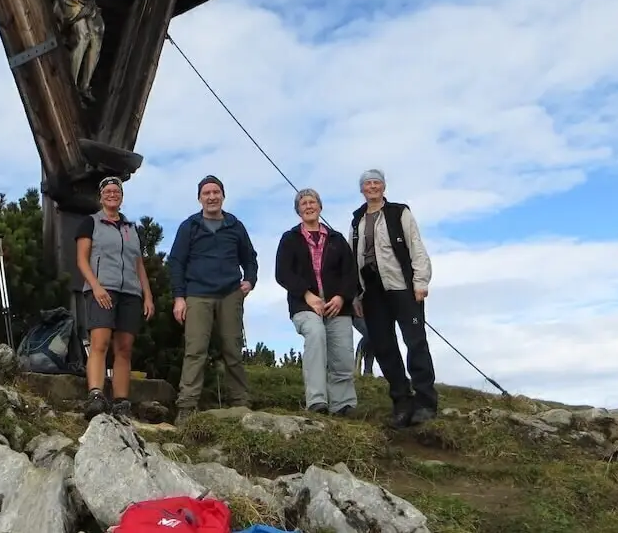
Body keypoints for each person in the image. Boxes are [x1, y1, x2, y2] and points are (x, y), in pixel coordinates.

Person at [350, 169, 438, 428]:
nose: (372, 187)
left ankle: (425, 401)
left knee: (415, 342)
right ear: (362, 189)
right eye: (368, 183)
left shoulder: (400, 212)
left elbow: (416, 247)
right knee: (384, 346)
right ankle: (401, 401)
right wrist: (356, 294)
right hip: (372, 291)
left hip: (402, 287)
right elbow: (353, 258)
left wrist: (420, 281)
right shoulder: (357, 220)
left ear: (384, 187)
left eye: (377, 182)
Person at [168, 175, 259, 424]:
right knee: (195, 350)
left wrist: (250, 280)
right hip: (197, 294)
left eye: (216, 192)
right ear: (199, 198)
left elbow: (250, 257)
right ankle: (186, 407)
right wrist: (179, 297)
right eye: (206, 193)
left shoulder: (235, 225)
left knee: (233, 349)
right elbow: (176, 262)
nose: (211, 197)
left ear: (223, 196)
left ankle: (240, 404)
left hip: (230, 293)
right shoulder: (190, 227)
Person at [274, 188, 361, 415]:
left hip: (338, 307)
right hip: (304, 306)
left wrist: (341, 297)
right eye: (303, 204)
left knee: (342, 352)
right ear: (298, 211)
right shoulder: (290, 239)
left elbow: (350, 274)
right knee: (315, 335)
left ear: (320, 207)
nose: (309, 206)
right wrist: (307, 294)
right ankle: (317, 401)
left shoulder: (337, 239)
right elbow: (282, 273)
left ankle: (343, 404)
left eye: (312, 202)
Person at [75, 176, 155, 420]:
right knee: (100, 343)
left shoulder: (131, 229)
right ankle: (96, 394)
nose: (112, 195)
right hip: (102, 288)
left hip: (130, 292)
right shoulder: (90, 223)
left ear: (121, 196)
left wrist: (147, 295)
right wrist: (96, 287)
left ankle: (121, 400)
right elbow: (81, 259)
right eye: (107, 191)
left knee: (125, 348)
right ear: (101, 196)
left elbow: (138, 264)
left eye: (116, 191)